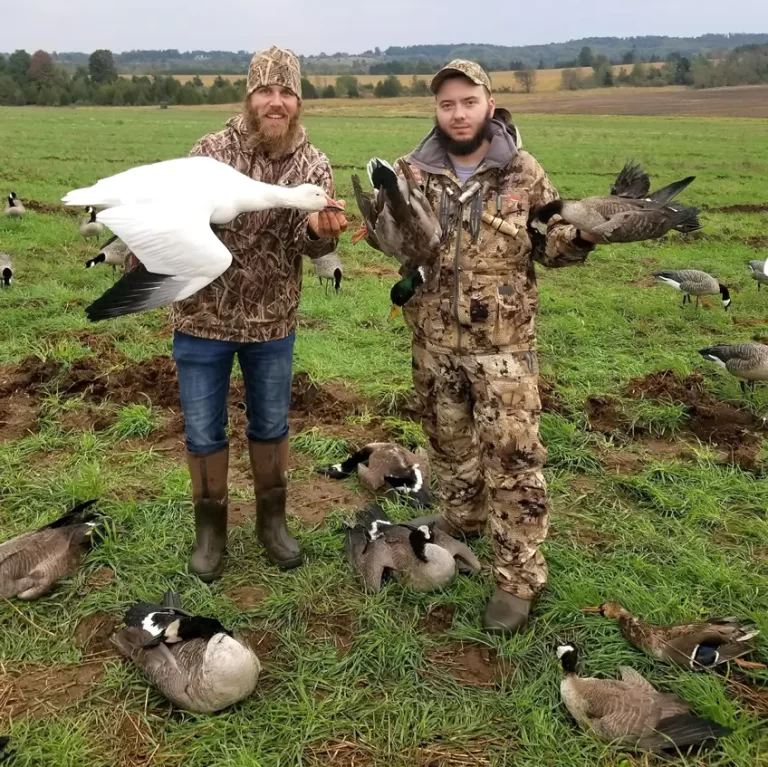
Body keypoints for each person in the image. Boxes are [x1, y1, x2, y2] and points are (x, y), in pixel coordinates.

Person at [396, 60, 599, 634]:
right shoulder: (414, 172)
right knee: (448, 443)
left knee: (512, 462)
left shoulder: (524, 172)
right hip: (433, 342)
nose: (457, 113)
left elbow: (553, 246)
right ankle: (462, 521)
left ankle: (517, 578)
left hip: (503, 351)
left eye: (467, 101)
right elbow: (399, 243)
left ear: (489, 103)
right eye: (446, 104)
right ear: (436, 110)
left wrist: (582, 235)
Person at [171, 46, 347, 582]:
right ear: (250, 96)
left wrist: (319, 234)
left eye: (286, 92)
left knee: (271, 425)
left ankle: (273, 525)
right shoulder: (211, 151)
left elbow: (312, 246)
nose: (276, 102)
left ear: (298, 101)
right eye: (266, 91)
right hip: (203, 320)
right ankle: (211, 532)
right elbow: (181, 219)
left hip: (273, 323)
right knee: (204, 431)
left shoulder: (313, 165)